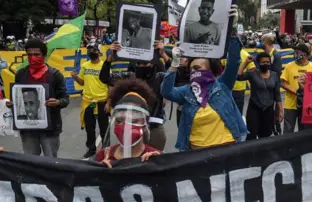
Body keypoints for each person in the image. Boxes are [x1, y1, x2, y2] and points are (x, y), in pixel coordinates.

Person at [161, 5, 247, 150]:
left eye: (198, 69)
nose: (194, 73)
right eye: (191, 69)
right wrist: (174, 64)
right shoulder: (187, 92)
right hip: (197, 154)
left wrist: (232, 31)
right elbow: (166, 91)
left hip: (226, 149)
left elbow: (233, 62)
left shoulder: (223, 85)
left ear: (210, 70)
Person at [99, 40, 168, 150]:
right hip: (132, 126)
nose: (142, 66)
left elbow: (175, 77)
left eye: (145, 63)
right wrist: (110, 58)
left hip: (155, 126)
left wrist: (163, 54)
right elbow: (105, 78)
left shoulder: (159, 78)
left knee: (155, 160)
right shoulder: (130, 77)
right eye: (139, 64)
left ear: (153, 64)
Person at [10, 38, 70, 157]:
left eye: (37, 54)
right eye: (29, 55)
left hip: (50, 128)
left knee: (50, 162)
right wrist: (11, 103)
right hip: (27, 129)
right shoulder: (21, 74)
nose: (33, 58)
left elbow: (65, 99)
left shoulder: (55, 75)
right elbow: (17, 97)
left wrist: (58, 102)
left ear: (44, 55)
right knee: (31, 162)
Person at [95, 79, 161, 167]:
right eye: (119, 121)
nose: (126, 127)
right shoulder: (102, 156)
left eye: (133, 121)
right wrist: (100, 172)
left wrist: (157, 168)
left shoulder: (155, 157)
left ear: (145, 124)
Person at [71, 44, 109, 158]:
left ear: (98, 52)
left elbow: (110, 84)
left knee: (104, 128)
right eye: (89, 50)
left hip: (102, 101)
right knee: (89, 128)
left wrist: (109, 102)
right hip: (88, 101)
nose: (91, 52)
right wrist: (75, 76)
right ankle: (91, 148)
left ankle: (106, 149)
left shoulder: (104, 66)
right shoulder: (85, 65)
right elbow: (82, 82)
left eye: (93, 50)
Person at [237, 53, 283, 139]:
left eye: (267, 62)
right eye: (263, 62)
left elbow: (277, 95)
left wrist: (280, 111)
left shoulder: (274, 75)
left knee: (266, 135)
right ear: (258, 63)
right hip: (254, 109)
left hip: (269, 110)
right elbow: (238, 76)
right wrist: (245, 63)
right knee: (251, 135)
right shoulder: (252, 73)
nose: (265, 64)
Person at [280, 43, 312, 133]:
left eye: (297, 52)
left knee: (304, 131)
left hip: (306, 105)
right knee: (288, 130)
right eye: (295, 52)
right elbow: (283, 83)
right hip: (291, 105)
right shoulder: (289, 66)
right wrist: (297, 92)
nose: (295, 54)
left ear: (305, 54)